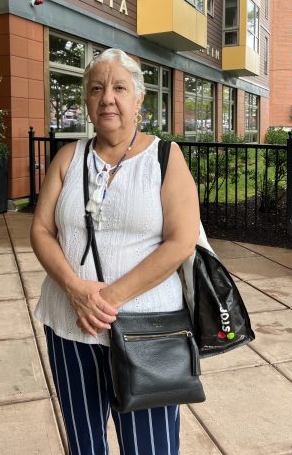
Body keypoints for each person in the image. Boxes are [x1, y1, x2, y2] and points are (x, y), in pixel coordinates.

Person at [31, 48, 200, 455]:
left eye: (119, 88)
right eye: (97, 89)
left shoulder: (165, 157)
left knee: (150, 447)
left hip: (148, 333)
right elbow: (40, 229)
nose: (108, 98)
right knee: (85, 444)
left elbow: (182, 240)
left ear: (139, 98)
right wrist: (74, 289)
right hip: (71, 328)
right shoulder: (68, 158)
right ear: (87, 102)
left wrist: (106, 299)